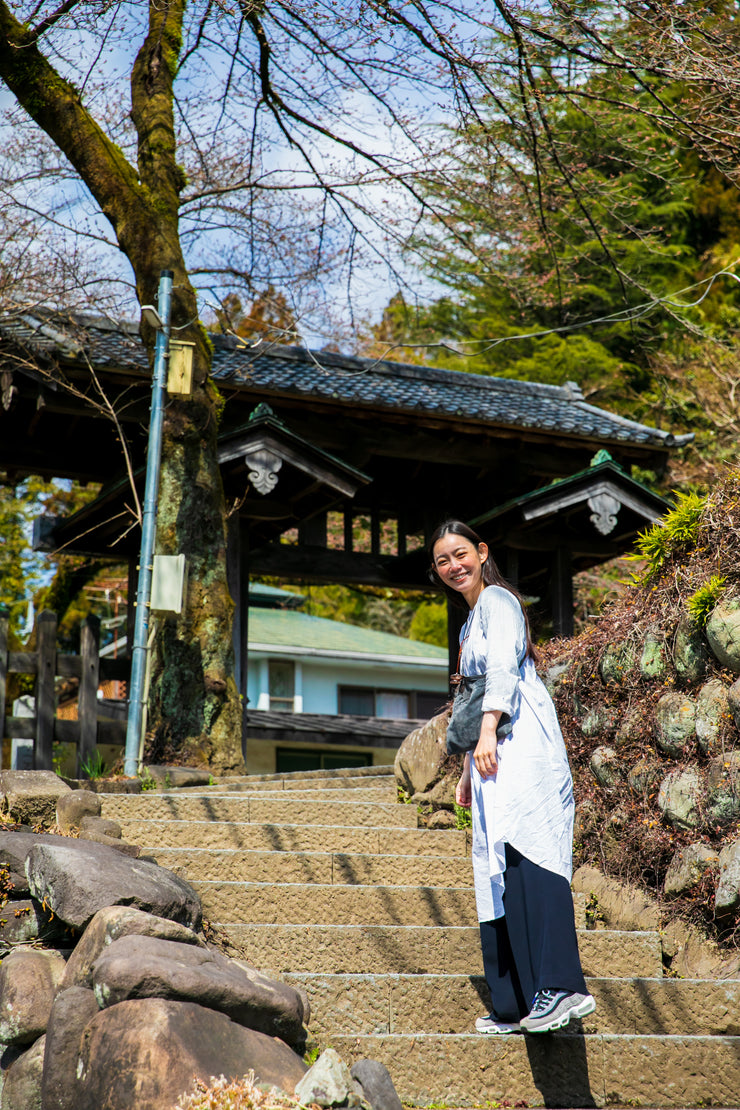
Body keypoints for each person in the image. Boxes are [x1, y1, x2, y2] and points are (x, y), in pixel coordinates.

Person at [430, 520, 595, 1035]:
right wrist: (465, 769)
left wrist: (484, 737)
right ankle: (517, 1003)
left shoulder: (499, 602)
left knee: (531, 854)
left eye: (460, 554)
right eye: (442, 561)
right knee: (499, 866)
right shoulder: (468, 623)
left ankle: (561, 986)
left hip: (520, 745)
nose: (453, 566)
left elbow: (501, 672)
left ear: (481, 553)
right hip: (492, 753)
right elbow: (472, 696)